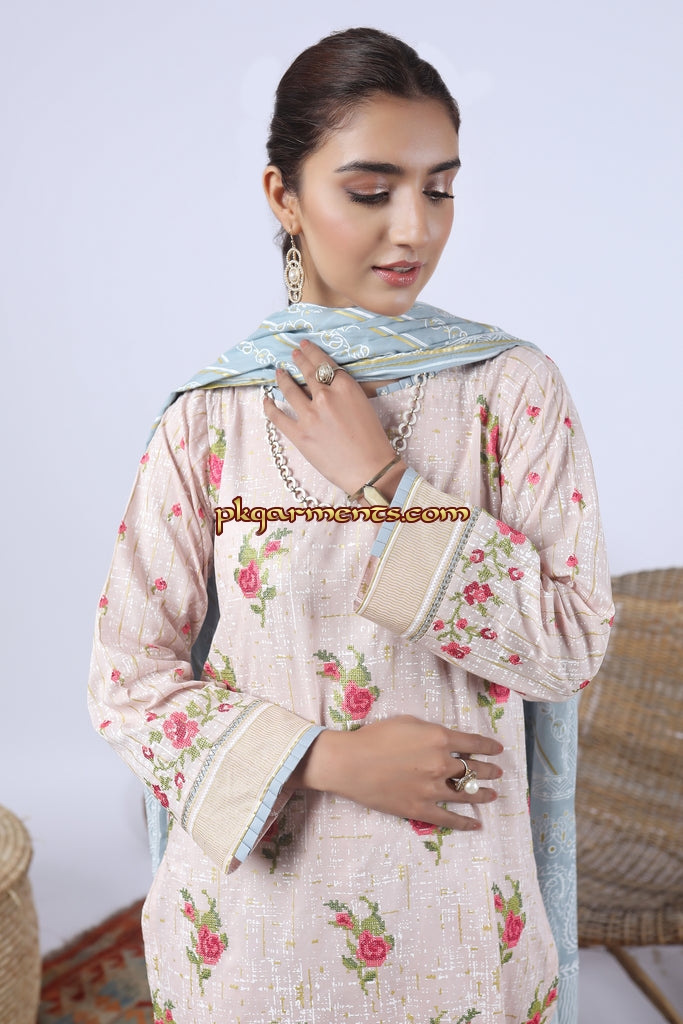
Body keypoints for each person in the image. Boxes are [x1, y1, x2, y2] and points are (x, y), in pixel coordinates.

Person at [88, 27, 613, 1024]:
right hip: (255, 928)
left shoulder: (510, 391)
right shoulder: (211, 416)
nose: (413, 228)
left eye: (438, 189)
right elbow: (127, 682)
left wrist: (384, 480)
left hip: (461, 925)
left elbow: (569, 650)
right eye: (371, 191)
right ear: (282, 196)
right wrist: (327, 759)